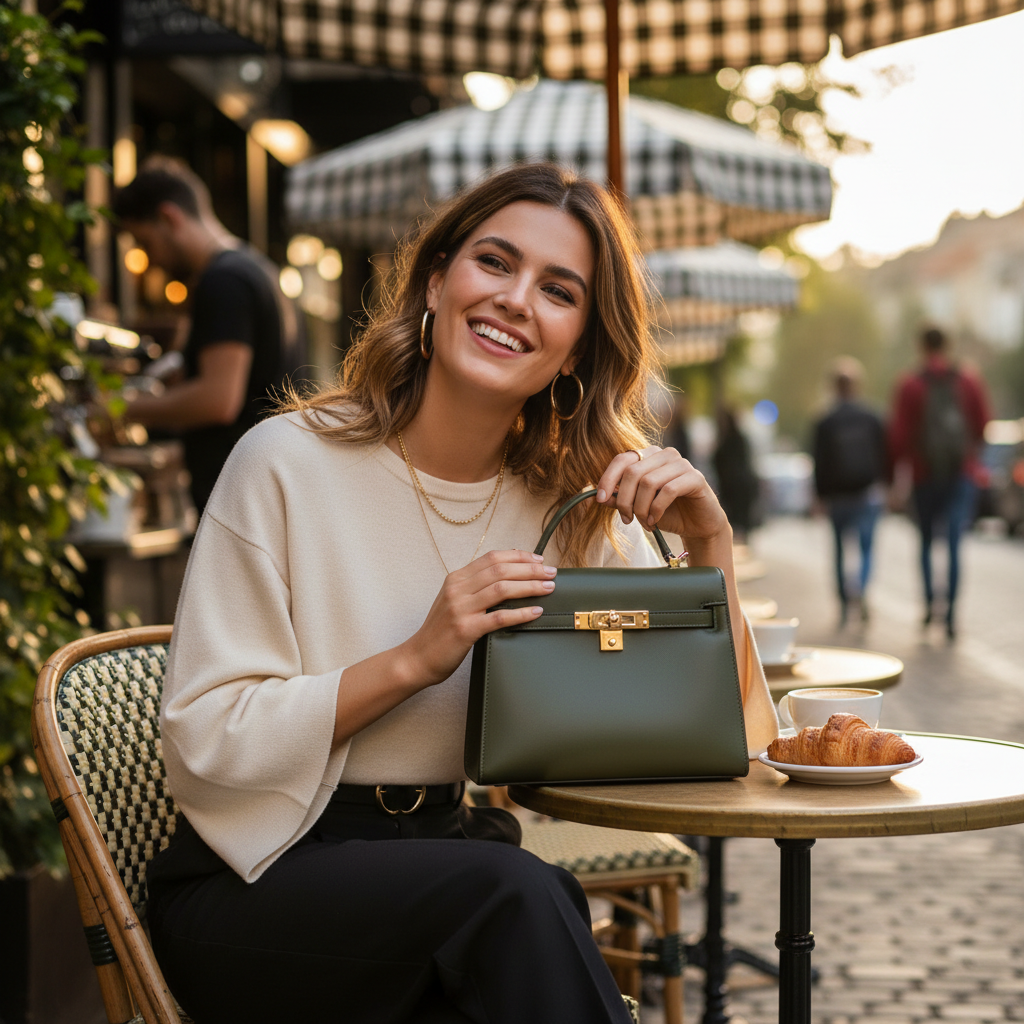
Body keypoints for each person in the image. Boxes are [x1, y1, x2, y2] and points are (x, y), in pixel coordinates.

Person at [147, 163, 779, 1024]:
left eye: (559, 289)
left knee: (522, 896)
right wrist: (416, 656)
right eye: (495, 262)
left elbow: (729, 744)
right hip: (259, 878)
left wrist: (709, 547)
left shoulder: (571, 503)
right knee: (517, 897)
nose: (517, 299)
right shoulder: (284, 464)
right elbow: (204, 739)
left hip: (452, 870)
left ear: (582, 344)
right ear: (436, 281)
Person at [111, 167, 305, 516]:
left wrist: (119, 409)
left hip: (244, 502)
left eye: (144, 243)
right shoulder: (256, 269)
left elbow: (218, 399)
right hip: (266, 490)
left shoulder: (224, 281)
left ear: (169, 218)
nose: (149, 260)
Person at [889, 326, 990, 638]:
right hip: (961, 474)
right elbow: (983, 424)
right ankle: (951, 616)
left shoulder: (910, 384)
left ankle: (929, 605)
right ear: (947, 345)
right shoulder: (969, 380)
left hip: (924, 474)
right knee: (956, 544)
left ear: (921, 346)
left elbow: (899, 437)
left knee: (926, 543)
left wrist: (896, 477)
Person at [811, 357, 888, 625]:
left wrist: (819, 496)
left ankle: (844, 603)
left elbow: (818, 462)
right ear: (857, 385)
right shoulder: (871, 417)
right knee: (866, 548)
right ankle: (862, 588)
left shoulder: (825, 421)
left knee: (840, 550)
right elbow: (884, 455)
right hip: (866, 493)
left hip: (836, 497)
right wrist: (886, 486)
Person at [712, 406, 759, 544]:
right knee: (741, 526)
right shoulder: (740, 439)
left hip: (734, 489)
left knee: (736, 525)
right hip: (739, 488)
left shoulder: (728, 441)